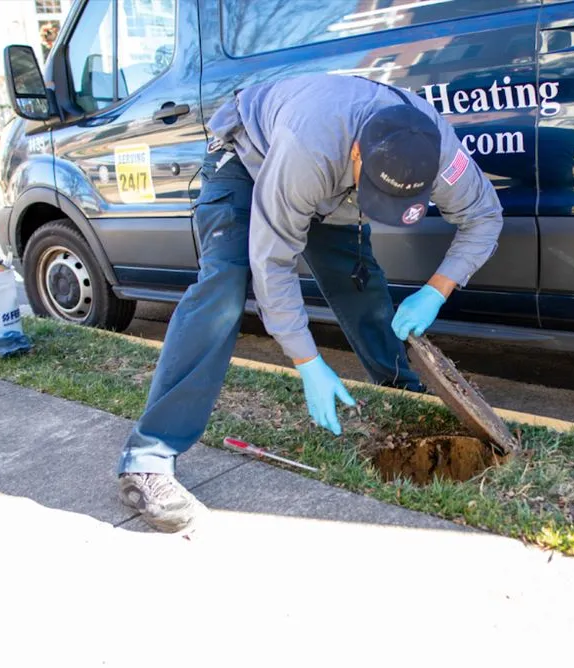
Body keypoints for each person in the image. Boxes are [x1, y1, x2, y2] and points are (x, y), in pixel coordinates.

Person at [116, 74, 504, 532]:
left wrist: (436, 290)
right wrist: (307, 361)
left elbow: (484, 217)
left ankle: (399, 390)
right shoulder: (308, 149)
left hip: (332, 189)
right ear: (358, 152)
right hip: (251, 162)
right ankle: (148, 457)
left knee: (356, 279)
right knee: (225, 284)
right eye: (375, 192)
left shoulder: (439, 151)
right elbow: (272, 262)